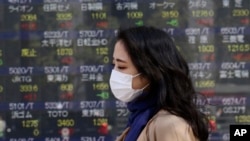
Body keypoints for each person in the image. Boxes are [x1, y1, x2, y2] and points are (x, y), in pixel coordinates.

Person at [109, 26, 209, 141]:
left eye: (121, 66)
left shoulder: (170, 126)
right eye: (114, 65)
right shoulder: (139, 119)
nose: (115, 73)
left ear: (150, 71)